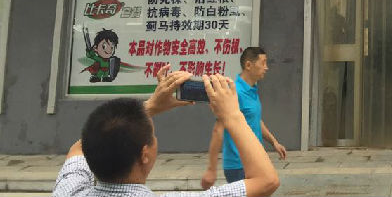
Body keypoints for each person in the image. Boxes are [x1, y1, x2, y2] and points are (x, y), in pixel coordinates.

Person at [52, 65, 279, 197]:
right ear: (145, 154)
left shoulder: (69, 191)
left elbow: (80, 147)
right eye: (152, 135)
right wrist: (232, 115)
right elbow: (267, 180)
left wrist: (151, 106)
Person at [202, 47, 286, 188]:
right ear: (248, 65)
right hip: (239, 166)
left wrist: (274, 143)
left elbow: (255, 120)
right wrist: (211, 169)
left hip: (254, 161)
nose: (266, 67)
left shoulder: (252, 90)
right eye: (263, 63)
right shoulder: (235, 92)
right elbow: (218, 130)